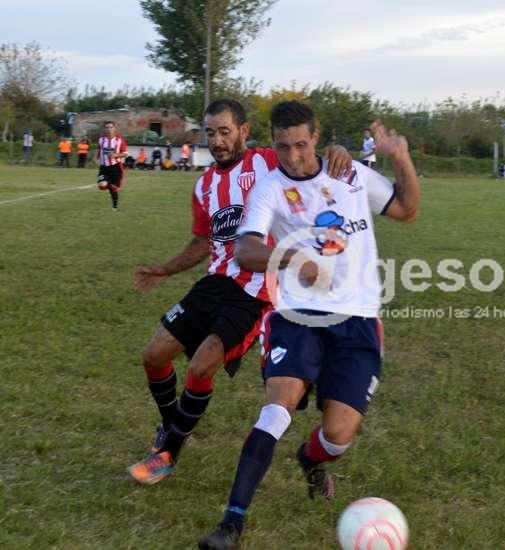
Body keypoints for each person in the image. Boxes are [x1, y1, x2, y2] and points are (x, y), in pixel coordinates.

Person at [198, 100, 419, 549]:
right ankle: (231, 523)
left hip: (358, 318)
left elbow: (406, 209)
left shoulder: (350, 173)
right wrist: (294, 257)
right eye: (283, 147)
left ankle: (310, 459)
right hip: (296, 315)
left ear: (316, 138)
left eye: (301, 144)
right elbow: (246, 250)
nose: (293, 156)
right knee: (276, 409)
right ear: (273, 143)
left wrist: (400, 156)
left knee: (337, 436)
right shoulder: (270, 188)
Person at [126, 99, 353, 487]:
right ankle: (171, 426)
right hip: (215, 282)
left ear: (243, 131)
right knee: (154, 355)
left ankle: (167, 455)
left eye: (224, 131)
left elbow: (305, 156)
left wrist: (338, 151)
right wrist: (165, 269)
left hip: (257, 290)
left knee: (201, 365)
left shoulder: (267, 161)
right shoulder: (204, 185)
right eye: (210, 133)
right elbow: (203, 241)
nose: (216, 141)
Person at [97, 121, 128, 211]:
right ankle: (109, 184)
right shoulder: (101, 139)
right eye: (107, 127)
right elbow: (99, 149)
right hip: (103, 167)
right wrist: (98, 157)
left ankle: (115, 205)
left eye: (111, 127)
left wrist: (115, 155)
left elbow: (125, 154)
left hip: (115, 167)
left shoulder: (119, 140)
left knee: (113, 188)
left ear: (114, 128)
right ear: (104, 129)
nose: (109, 129)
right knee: (102, 186)